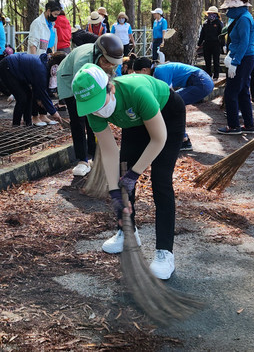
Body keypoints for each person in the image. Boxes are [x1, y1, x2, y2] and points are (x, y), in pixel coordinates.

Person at [73, 63, 185, 280]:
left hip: (167, 116)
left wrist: (135, 174)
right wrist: (114, 190)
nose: (97, 110)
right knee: (123, 172)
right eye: (90, 106)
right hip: (134, 122)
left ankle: (164, 252)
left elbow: (158, 139)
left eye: (98, 103)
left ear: (110, 88)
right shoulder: (92, 109)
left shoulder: (136, 92)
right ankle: (127, 231)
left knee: (160, 181)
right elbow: (108, 149)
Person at [56, 34, 124, 176]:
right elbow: (81, 89)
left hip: (91, 78)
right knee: (78, 117)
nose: (110, 66)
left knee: (94, 115)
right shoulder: (82, 62)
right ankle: (82, 159)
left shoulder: (111, 61)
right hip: (71, 80)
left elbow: (112, 80)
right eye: (106, 62)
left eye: (113, 63)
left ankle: (94, 154)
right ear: (98, 54)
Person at [129, 57, 213, 151]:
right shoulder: (157, 70)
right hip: (201, 80)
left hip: (201, 82)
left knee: (173, 105)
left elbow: (167, 96)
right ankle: (181, 138)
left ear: (144, 70)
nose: (137, 76)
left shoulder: (159, 72)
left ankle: (183, 140)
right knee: (172, 105)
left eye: (137, 73)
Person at [217, 0, 254, 135]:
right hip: (243, 58)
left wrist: (235, 61)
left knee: (231, 92)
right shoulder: (241, 17)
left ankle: (233, 126)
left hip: (243, 59)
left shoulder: (244, 19)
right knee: (243, 92)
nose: (227, 12)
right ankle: (249, 124)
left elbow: (244, 42)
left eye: (229, 9)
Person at [0, 52, 62, 127]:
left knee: (29, 95)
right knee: (22, 98)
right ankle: (15, 125)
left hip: (18, 71)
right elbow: (43, 93)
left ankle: (28, 122)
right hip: (7, 67)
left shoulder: (46, 65)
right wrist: (54, 112)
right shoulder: (41, 69)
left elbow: (39, 87)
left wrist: (39, 99)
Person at [198, 6, 223, 79]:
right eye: (209, 13)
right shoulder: (205, 23)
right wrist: (199, 44)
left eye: (212, 13)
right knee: (207, 60)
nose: (211, 15)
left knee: (216, 60)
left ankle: (216, 75)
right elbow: (202, 34)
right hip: (207, 44)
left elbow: (221, 34)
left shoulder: (219, 23)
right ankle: (208, 74)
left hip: (216, 44)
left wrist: (222, 45)